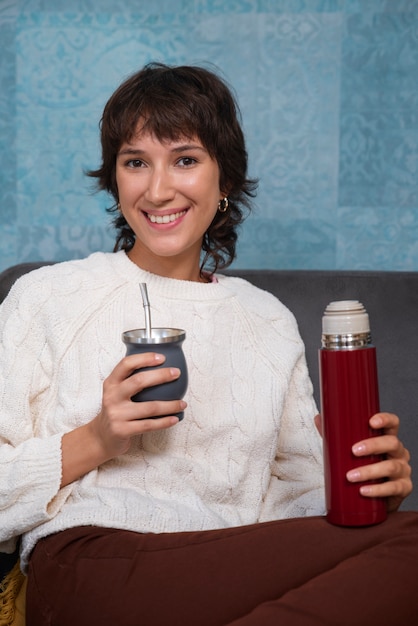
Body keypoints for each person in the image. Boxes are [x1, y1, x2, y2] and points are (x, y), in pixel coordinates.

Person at [0, 62, 416, 626]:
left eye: (186, 160)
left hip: (225, 567)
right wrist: (98, 439)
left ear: (225, 179)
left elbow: (291, 507)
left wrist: (370, 495)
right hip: (94, 560)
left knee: (401, 538)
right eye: (135, 162)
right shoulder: (50, 296)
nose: (158, 188)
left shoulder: (265, 319)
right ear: (115, 177)